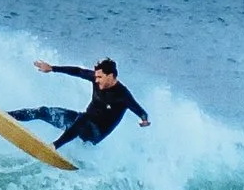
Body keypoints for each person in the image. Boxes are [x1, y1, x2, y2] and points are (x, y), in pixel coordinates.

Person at [10, 58, 151, 149]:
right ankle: (7, 116)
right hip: (81, 122)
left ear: (111, 76)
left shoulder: (123, 95)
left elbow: (141, 111)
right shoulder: (96, 78)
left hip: (95, 134)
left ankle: (53, 146)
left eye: (100, 77)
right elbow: (77, 71)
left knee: (83, 118)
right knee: (43, 111)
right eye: (96, 77)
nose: (96, 80)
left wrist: (144, 120)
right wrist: (52, 68)